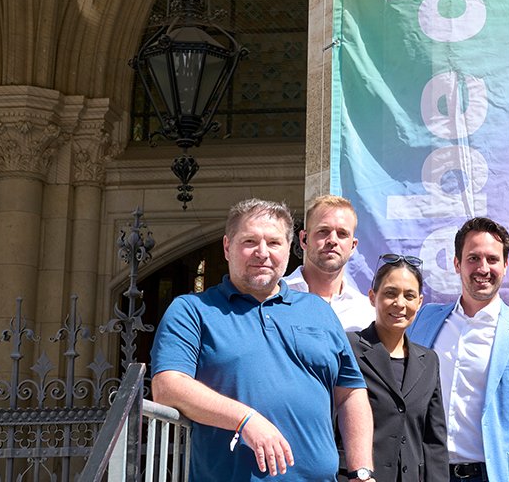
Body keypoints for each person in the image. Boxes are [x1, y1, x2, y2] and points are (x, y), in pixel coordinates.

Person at [150, 198, 375, 482]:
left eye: (274, 243)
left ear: (288, 249)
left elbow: (351, 394)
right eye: (249, 241)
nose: (262, 252)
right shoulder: (192, 311)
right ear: (227, 247)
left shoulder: (318, 311)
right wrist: (245, 420)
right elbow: (168, 386)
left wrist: (362, 471)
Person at [409, 216, 509, 482]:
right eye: (473, 258)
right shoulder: (424, 320)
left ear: (506, 265)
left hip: (492, 475)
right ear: (457, 264)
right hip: (428, 473)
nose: (483, 268)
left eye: (492, 259)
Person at [340, 254, 447, 481]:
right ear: (372, 297)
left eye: (409, 296)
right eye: (390, 293)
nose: (400, 303)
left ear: (419, 302)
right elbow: (331, 423)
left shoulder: (428, 360)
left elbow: (433, 441)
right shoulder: (347, 348)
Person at [284, 194, 374, 331]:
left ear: (353, 246)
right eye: (323, 231)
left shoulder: (367, 313)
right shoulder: (275, 296)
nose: (332, 240)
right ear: (304, 239)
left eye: (342, 233)